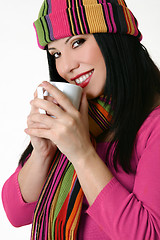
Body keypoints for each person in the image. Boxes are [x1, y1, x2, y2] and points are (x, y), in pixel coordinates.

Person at [2, 0, 160, 239]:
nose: (66, 67)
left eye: (77, 42)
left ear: (114, 37)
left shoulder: (153, 126)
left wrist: (81, 153)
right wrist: (43, 152)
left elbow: (148, 234)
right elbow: (16, 213)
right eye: (56, 54)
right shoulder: (72, 120)